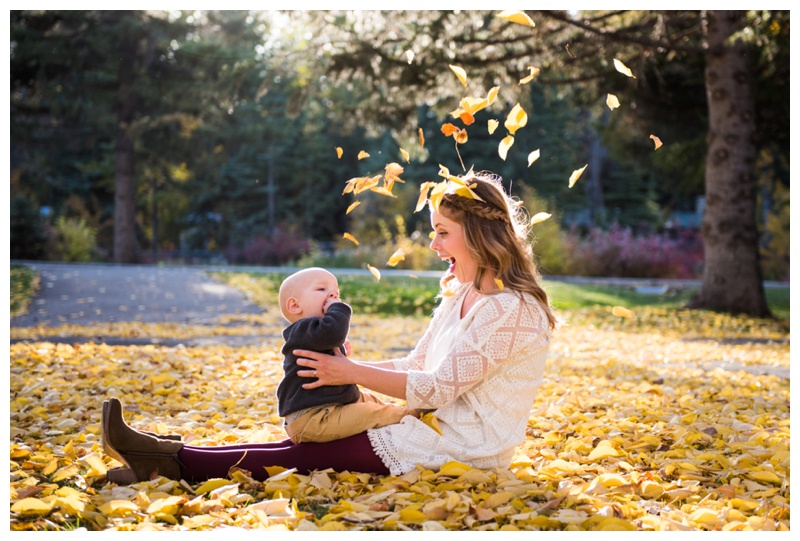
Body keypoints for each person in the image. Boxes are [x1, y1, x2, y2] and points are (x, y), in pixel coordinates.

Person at [102, 169, 558, 484]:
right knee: (310, 444)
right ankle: (161, 454)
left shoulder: (512, 310)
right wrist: (341, 367)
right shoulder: (463, 294)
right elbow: (418, 363)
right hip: (429, 425)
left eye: (443, 232)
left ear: (478, 233)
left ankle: (166, 461)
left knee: (307, 457)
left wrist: (351, 374)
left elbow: (437, 387)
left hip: (465, 446)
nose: (435, 245)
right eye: (434, 232)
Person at [275, 267, 414, 443]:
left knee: (369, 400)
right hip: (313, 417)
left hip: (331, 406)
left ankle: (396, 413)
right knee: (372, 413)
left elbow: (332, 339)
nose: (333, 296)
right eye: (322, 289)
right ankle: (413, 415)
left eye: (336, 293)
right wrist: (339, 309)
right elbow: (333, 331)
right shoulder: (301, 329)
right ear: (295, 305)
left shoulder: (312, 334)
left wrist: (339, 349)